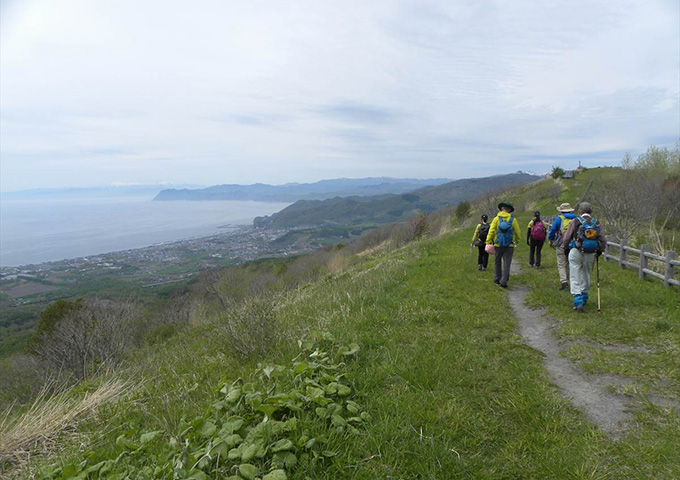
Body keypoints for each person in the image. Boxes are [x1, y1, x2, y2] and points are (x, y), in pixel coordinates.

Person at [562, 202, 607, 312]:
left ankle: (578, 301)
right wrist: (600, 250)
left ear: (580, 211)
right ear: (590, 212)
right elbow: (603, 239)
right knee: (586, 273)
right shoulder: (596, 223)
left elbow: (566, 238)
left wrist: (565, 247)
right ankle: (584, 295)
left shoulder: (575, 221)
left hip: (576, 251)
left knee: (575, 274)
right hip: (590, 252)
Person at [486, 202, 521, 288]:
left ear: (502, 209)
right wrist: (516, 241)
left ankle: (497, 278)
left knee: (497, 262)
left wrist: (488, 241)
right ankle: (504, 281)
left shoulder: (496, 219)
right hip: (509, 246)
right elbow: (518, 233)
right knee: (507, 264)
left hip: (498, 244)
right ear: (509, 210)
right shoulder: (513, 220)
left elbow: (491, 231)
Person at [548, 203, 577, 290]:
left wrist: (550, 239)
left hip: (561, 243)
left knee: (561, 263)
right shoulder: (576, 219)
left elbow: (553, 230)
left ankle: (564, 283)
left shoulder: (559, 219)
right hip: (573, 244)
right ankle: (571, 281)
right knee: (570, 262)